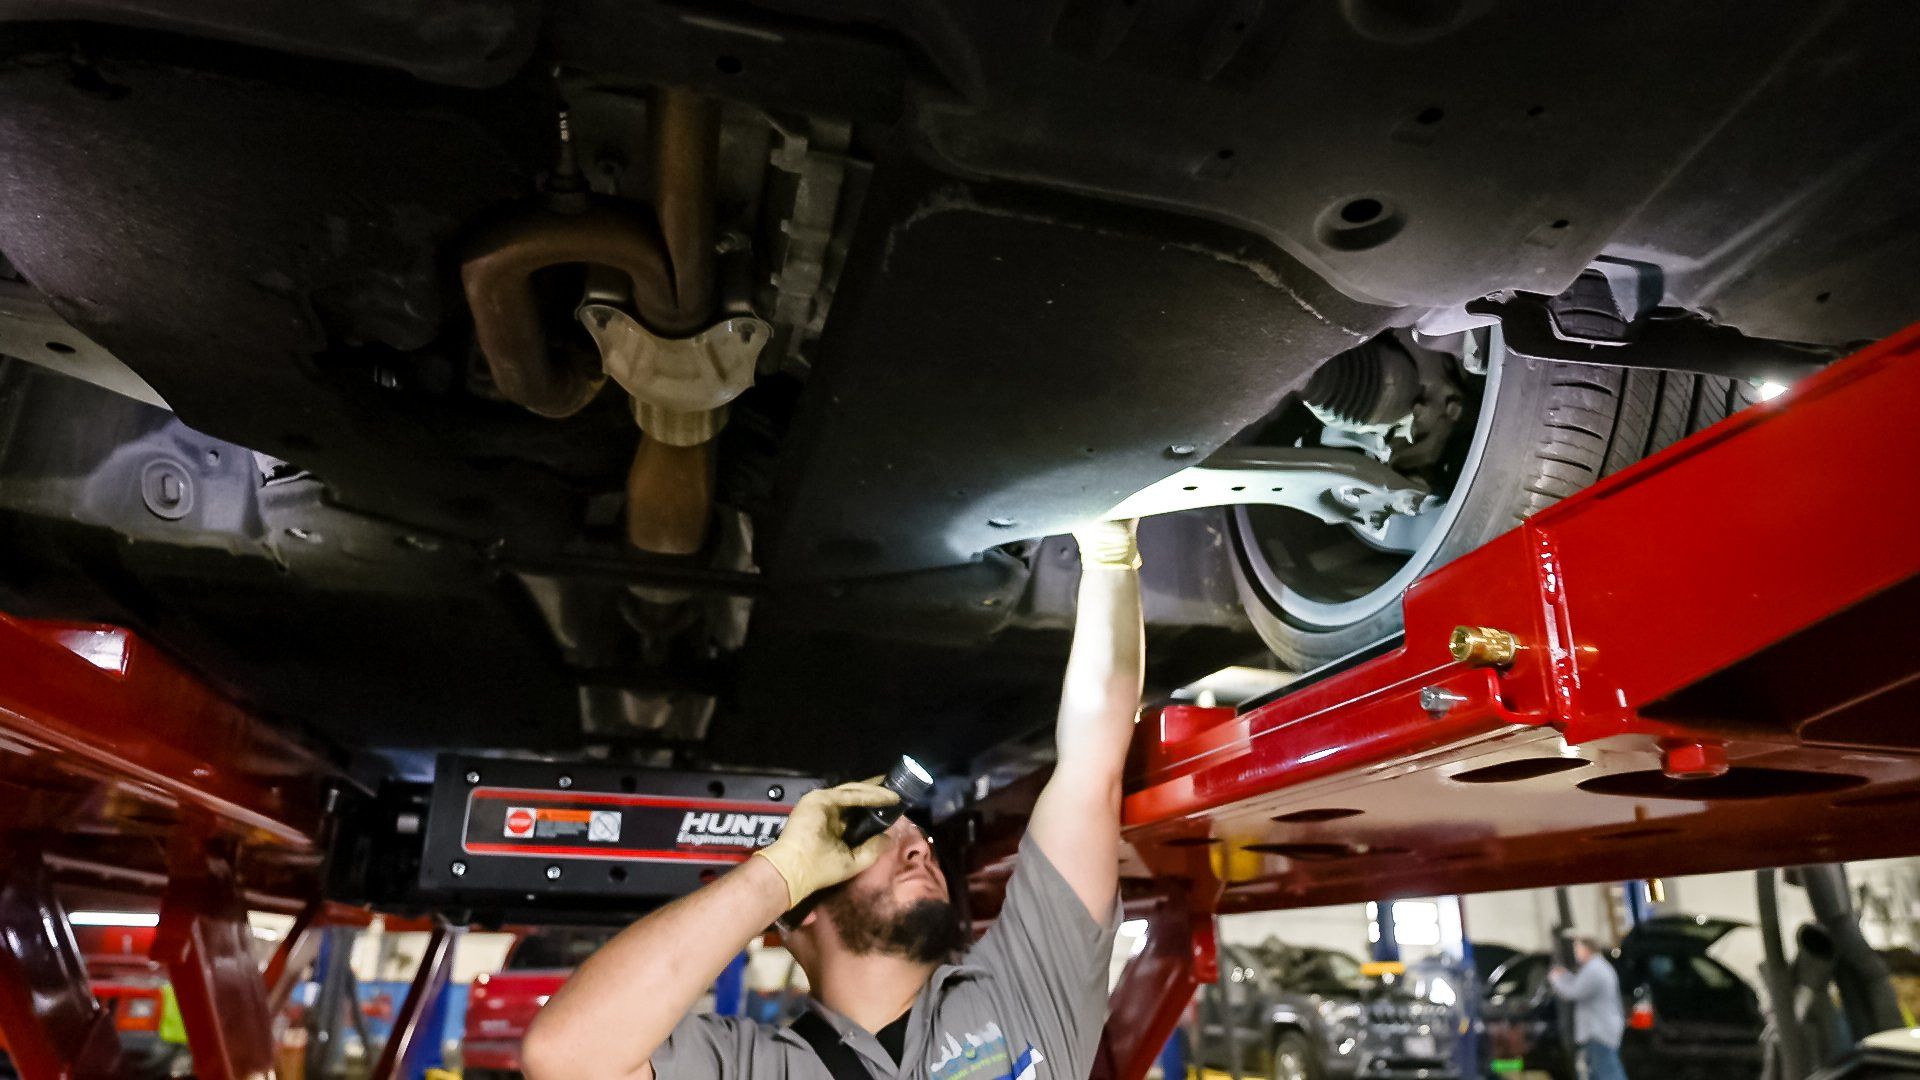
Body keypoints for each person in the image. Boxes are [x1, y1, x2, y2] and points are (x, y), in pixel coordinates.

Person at [522, 520, 1146, 1080]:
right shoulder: (750, 1069)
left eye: (916, 838)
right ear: (797, 912)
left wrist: (1112, 557)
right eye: (876, 835)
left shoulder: (1026, 992)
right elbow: (568, 1059)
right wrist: (776, 877)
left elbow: (1091, 768)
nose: (919, 848)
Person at [1549, 935, 1628, 1080]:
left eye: (1577, 949)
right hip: (1600, 1030)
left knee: (1607, 1073)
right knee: (1596, 1072)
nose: (1576, 953)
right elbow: (1577, 984)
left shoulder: (1594, 970)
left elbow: (1573, 992)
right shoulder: (1597, 968)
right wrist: (1565, 976)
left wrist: (1556, 979)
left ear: (1586, 950)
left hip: (1598, 1033)